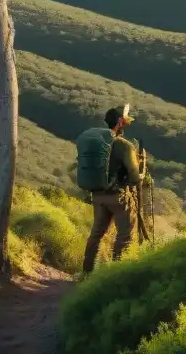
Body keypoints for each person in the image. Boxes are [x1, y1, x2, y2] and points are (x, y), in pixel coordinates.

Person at [81, 105, 146, 274]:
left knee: (96, 235)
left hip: (98, 196)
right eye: (125, 120)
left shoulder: (99, 144)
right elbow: (133, 178)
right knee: (125, 236)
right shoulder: (125, 146)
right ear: (119, 122)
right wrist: (143, 173)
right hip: (118, 197)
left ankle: (86, 275)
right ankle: (115, 275)